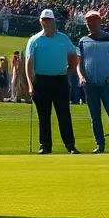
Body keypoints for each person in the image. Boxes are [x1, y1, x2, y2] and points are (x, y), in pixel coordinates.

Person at [25, 9, 80, 154]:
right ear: (40, 21)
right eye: (44, 19)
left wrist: (71, 68)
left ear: (54, 21)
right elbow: (28, 64)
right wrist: (30, 85)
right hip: (41, 80)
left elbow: (73, 55)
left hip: (60, 79)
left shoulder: (63, 38)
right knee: (43, 115)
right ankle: (45, 145)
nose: (46, 22)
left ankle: (70, 145)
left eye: (49, 19)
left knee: (64, 113)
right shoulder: (34, 40)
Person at [76, 11, 109, 154]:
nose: (90, 24)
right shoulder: (83, 40)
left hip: (106, 83)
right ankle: (100, 144)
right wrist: (81, 76)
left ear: (99, 22)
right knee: (95, 116)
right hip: (90, 84)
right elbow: (79, 62)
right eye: (88, 22)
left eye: (93, 21)